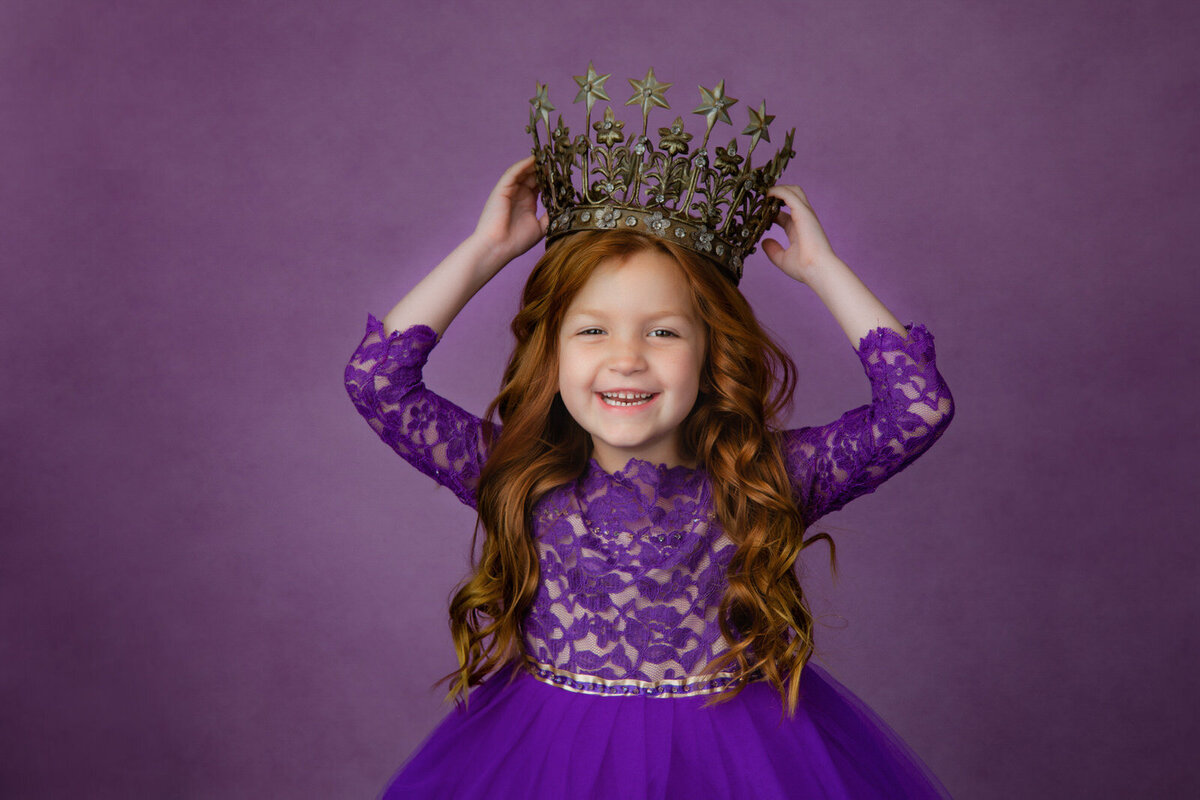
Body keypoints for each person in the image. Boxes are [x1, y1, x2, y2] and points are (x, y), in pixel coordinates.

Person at [346, 82, 955, 798]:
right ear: (552, 353)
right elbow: (377, 378)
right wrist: (487, 251)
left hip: (741, 759)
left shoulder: (768, 478)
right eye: (592, 329)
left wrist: (824, 272)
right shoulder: (517, 471)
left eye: (663, 331)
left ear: (712, 353)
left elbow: (915, 410)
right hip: (548, 758)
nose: (626, 357)